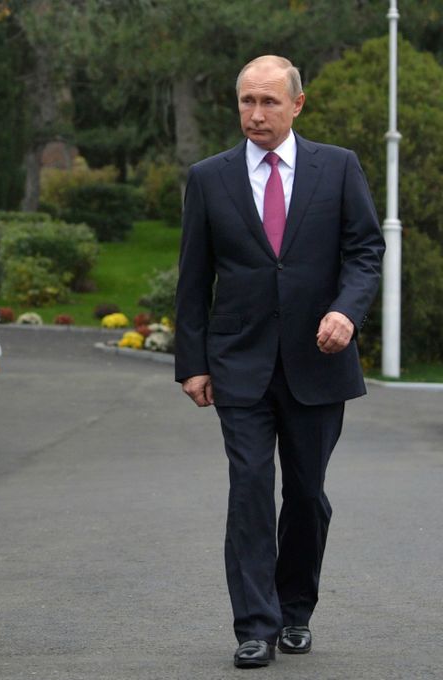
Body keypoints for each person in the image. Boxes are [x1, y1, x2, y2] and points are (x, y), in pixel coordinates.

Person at [174, 55, 383, 669]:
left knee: (308, 495)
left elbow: (365, 251)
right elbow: (194, 279)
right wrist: (193, 362)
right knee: (249, 488)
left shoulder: (338, 168)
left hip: (318, 364)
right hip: (238, 363)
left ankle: (296, 612)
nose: (256, 114)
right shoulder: (209, 178)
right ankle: (255, 625)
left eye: (268, 102)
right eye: (246, 101)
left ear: (298, 105)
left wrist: (346, 312)